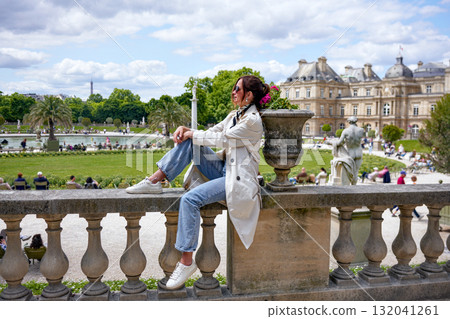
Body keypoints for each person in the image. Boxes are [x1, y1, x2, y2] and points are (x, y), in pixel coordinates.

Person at [126, 75, 267, 290]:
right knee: (192, 142)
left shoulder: (252, 121)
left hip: (237, 180)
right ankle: (155, 180)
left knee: (190, 200)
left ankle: (186, 262)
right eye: (234, 88)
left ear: (249, 95)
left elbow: (222, 139)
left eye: (237, 89)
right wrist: (187, 130)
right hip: (224, 170)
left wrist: (191, 132)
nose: (233, 92)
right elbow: (212, 133)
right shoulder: (235, 115)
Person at [327, 116, 365, 185]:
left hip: (350, 153)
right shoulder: (361, 130)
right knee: (355, 173)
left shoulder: (346, 131)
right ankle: (354, 188)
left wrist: (330, 142)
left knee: (349, 173)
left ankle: (349, 190)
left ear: (349, 122)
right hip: (359, 152)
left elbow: (339, 143)